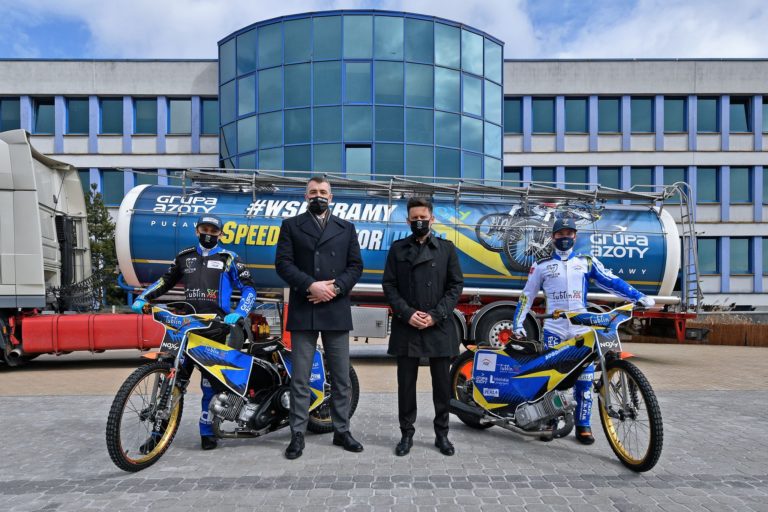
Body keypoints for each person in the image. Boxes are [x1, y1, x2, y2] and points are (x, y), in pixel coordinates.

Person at [512, 216, 655, 444]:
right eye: (560, 234)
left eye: (569, 234)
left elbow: (611, 281)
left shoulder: (586, 262)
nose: (565, 238)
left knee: (585, 380)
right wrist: (518, 323)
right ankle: (549, 421)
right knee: (551, 379)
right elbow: (527, 296)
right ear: (553, 237)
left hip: (582, 330)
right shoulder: (541, 265)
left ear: (575, 236)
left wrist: (638, 296)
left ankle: (583, 425)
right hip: (555, 330)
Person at [131, 214, 256, 451]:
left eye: (214, 230)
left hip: (216, 328)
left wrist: (239, 312)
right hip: (186, 328)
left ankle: (207, 432)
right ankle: (158, 434)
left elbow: (249, 289)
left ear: (220, 234)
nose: (208, 233)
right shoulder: (184, 257)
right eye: (204, 229)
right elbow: (164, 281)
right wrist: (143, 297)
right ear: (197, 231)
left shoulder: (229, 258)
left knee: (210, 385)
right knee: (172, 381)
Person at [275, 176, 364, 460]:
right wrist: (311, 285)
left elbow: (356, 266)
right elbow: (283, 264)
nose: (318, 196)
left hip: (335, 308)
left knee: (341, 377)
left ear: (331, 197)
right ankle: (297, 434)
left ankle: (342, 430)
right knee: (301, 377)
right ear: (305, 196)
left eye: (323, 192)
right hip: (305, 307)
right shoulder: (291, 225)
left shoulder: (346, 228)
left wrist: (334, 289)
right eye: (313, 192)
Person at [382, 197, 464, 457]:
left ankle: (442, 435)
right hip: (408, 326)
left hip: (438, 326)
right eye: (414, 218)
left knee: (442, 387)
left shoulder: (446, 249)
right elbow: (389, 285)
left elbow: (455, 286)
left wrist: (435, 315)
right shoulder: (398, 249)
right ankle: (406, 434)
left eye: (423, 218)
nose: (419, 222)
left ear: (432, 219)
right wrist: (407, 313)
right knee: (406, 386)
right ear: (408, 221)